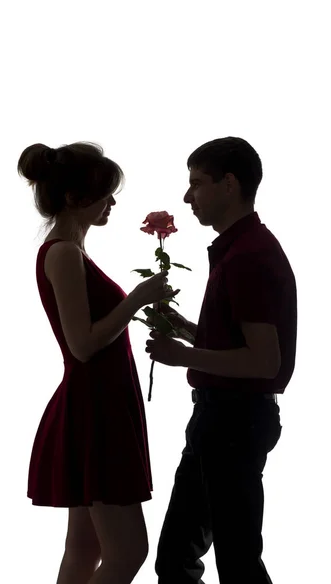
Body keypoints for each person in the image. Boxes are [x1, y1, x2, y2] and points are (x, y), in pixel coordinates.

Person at [18, 141, 178, 584]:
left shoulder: (69, 251)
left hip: (99, 404)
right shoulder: (63, 254)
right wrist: (138, 299)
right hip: (96, 409)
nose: (112, 202)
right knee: (129, 551)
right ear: (74, 199)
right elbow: (83, 345)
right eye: (106, 192)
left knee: (84, 549)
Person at [146, 136, 297, 584]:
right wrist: (188, 329)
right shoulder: (241, 249)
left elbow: (264, 363)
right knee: (182, 557)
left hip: (233, 424)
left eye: (196, 183)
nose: (187, 197)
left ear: (229, 184)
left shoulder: (247, 257)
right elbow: (244, 343)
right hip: (223, 422)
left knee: (234, 562)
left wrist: (184, 355)